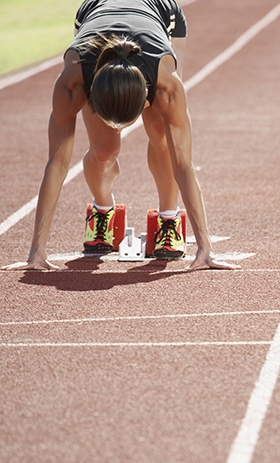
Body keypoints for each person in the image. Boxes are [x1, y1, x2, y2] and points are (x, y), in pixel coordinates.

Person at [2, 0, 237, 271]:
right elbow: (57, 162)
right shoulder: (73, 81)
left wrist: (205, 248)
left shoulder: (165, 85)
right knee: (104, 151)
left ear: (146, 95)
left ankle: (168, 218)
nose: (119, 129)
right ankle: (103, 210)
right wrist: (36, 252)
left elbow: (184, 164)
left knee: (161, 129)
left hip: (161, 15)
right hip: (95, 12)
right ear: (91, 94)